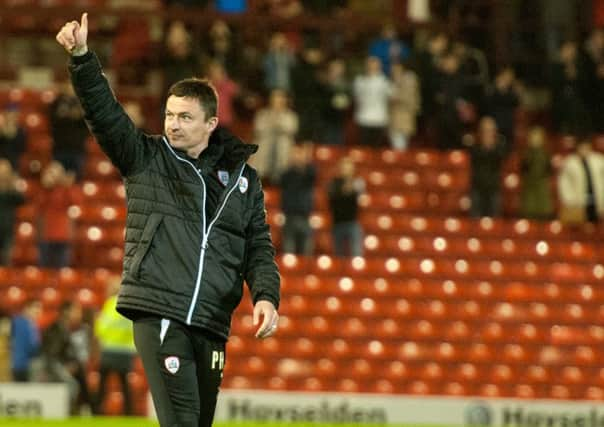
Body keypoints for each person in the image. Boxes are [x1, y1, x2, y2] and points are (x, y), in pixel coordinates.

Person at [56, 14, 279, 427]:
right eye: (170, 115)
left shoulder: (243, 181)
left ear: (212, 124)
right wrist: (83, 57)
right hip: (160, 310)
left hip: (212, 321)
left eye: (185, 117)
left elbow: (258, 247)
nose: (173, 125)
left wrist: (266, 295)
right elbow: (105, 115)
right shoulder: (146, 159)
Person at [94, 275, 136, 415]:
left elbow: (101, 328)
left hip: (110, 350)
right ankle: (129, 413)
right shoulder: (131, 304)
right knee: (124, 385)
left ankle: (97, 412)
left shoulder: (111, 303)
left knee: (103, 384)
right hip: (126, 351)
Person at [41, 301, 88, 414]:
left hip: (59, 364)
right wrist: (66, 365)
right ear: (66, 312)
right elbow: (52, 353)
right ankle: (66, 413)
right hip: (53, 365)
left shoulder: (65, 328)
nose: (79, 314)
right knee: (72, 386)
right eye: (75, 311)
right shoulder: (56, 329)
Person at [36, 161, 81, 268]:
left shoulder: (66, 188)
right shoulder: (44, 190)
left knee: (61, 269)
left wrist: (67, 185)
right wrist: (45, 187)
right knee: (44, 269)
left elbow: (76, 200)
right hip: (46, 234)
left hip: (62, 234)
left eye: (56, 172)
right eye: (51, 172)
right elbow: (39, 206)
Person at [251, 89, 299, 183]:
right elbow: (259, 130)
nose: (278, 101)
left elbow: (290, 130)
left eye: (280, 98)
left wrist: (278, 119)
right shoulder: (262, 114)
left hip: (283, 157)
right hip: (263, 156)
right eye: (275, 98)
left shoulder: (291, 116)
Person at [466, 116, 506, 218]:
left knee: (494, 222)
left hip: (494, 189)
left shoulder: (500, 149)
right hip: (477, 189)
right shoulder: (474, 148)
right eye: (485, 130)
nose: (487, 133)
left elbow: (500, 157)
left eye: (490, 130)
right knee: (475, 221)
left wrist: (493, 147)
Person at [279, 144, 316, 255]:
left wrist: (306, 162)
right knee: (289, 254)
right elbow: (281, 179)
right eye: (294, 154)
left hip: (305, 217)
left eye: (299, 154)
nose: (297, 157)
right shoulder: (287, 175)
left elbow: (312, 175)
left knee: (306, 254)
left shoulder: (308, 174)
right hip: (289, 217)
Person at [558, 138, 604, 224]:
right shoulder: (570, 162)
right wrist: (570, 200)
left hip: (596, 198)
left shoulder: (599, 160)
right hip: (578, 201)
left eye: (586, 148)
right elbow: (564, 184)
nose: (584, 150)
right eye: (582, 148)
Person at [49, 82, 89, 179]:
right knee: (57, 178)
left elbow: (90, 124)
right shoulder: (58, 102)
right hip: (59, 148)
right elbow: (53, 119)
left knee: (75, 179)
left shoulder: (84, 104)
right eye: (69, 86)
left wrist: (78, 114)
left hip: (77, 150)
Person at [327, 157, 365, 257]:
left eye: (348, 167)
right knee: (338, 258)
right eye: (344, 167)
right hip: (337, 224)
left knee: (357, 257)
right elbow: (331, 200)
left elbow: (360, 198)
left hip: (352, 223)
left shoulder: (357, 182)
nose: (346, 169)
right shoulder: (333, 183)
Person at [353, 56, 392, 146]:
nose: (372, 67)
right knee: (363, 146)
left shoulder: (384, 81)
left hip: (379, 119)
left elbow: (391, 97)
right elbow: (356, 97)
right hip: (363, 118)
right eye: (370, 65)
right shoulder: (359, 80)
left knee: (376, 148)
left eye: (375, 65)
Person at [519, 127, 554, 220]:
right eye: (533, 137)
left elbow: (549, 170)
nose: (535, 140)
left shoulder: (546, 154)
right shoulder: (526, 154)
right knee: (530, 215)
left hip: (542, 189)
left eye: (537, 137)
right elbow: (523, 170)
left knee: (543, 216)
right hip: (530, 189)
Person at [389, 61, 420, 151]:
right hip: (393, 120)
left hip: (404, 118)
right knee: (396, 146)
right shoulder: (392, 82)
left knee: (401, 148)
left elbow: (411, 100)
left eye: (397, 69)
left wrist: (396, 96)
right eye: (393, 70)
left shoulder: (409, 80)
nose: (394, 72)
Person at [0, 159, 25, 265]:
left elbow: (22, 200)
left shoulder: (12, 191)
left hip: (8, 229)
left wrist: (13, 186)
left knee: (6, 259)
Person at [10, 298, 42, 382]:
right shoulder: (19, 323)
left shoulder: (32, 325)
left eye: (40, 308)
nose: (38, 311)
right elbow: (32, 346)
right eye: (36, 308)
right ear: (26, 308)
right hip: (22, 365)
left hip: (24, 365)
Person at [0, 103, 26, 170]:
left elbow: (22, 149)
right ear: (6, 114)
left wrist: (13, 133)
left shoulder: (21, 131)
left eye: (15, 114)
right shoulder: (1, 129)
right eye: (10, 114)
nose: (12, 116)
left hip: (13, 163)